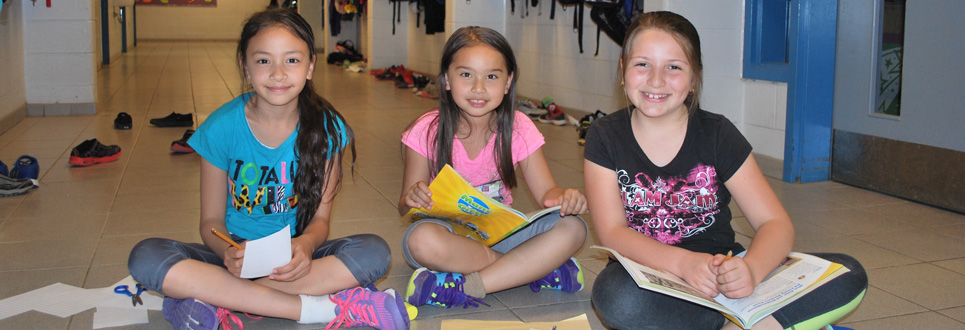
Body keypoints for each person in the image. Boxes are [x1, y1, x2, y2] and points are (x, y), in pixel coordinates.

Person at [584, 11, 867, 330]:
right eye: (642, 64)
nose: (656, 79)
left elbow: (775, 223)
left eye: (674, 67)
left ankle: (744, 319)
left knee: (847, 272)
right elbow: (613, 232)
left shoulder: (718, 134)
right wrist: (685, 263)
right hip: (653, 283)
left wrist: (751, 271)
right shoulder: (604, 135)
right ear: (623, 70)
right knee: (615, 298)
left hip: (725, 282)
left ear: (694, 79)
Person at [127, 9, 408, 330]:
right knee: (146, 256)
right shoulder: (221, 127)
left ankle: (211, 297)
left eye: (291, 60)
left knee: (374, 252)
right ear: (246, 67)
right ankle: (318, 308)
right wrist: (227, 252)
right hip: (233, 254)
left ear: (310, 66)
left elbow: (319, 221)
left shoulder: (328, 128)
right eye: (263, 61)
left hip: (294, 256)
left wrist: (306, 245)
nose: (278, 73)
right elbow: (210, 223)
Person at [398, 26, 589, 309]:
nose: (479, 88)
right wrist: (413, 197)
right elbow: (405, 207)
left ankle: (470, 285)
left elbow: (547, 193)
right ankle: (533, 270)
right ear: (446, 80)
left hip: (502, 237)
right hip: (453, 241)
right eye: (466, 75)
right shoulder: (426, 129)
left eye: (491, 76)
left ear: (508, 82)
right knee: (421, 240)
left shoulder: (519, 127)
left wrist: (566, 198)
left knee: (574, 227)